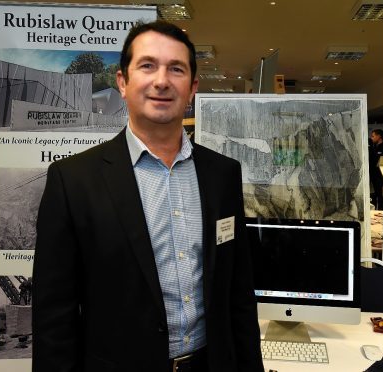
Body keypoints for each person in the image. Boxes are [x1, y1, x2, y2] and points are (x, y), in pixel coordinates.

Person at [32, 20, 264, 372]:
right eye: (147, 65)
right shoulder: (73, 180)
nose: (162, 80)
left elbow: (239, 295)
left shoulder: (223, 175)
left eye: (176, 69)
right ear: (122, 83)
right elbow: (54, 315)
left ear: (192, 88)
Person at [368, 129, 383, 210]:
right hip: (372, 176)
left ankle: (381, 212)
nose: (371, 138)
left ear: (379, 136)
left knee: (381, 196)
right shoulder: (373, 147)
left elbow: (381, 163)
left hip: (380, 177)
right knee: (373, 196)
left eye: (373, 136)